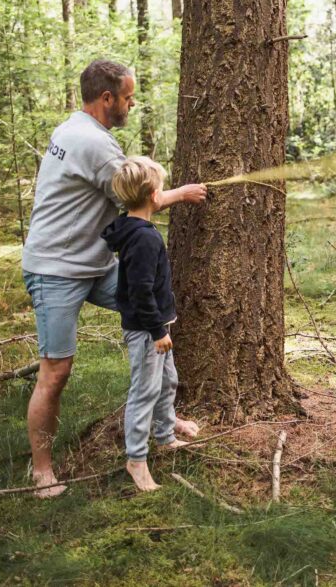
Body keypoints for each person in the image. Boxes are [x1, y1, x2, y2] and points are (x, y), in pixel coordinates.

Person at [22, 60, 206, 497]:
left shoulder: (76, 129)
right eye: (127, 97)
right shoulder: (94, 145)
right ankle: (42, 472)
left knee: (154, 310)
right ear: (106, 98)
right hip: (57, 270)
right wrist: (184, 193)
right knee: (56, 371)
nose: (131, 103)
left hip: (96, 263)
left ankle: (163, 421)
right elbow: (141, 199)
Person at [102, 157, 189, 491]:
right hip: (147, 332)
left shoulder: (136, 230)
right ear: (154, 196)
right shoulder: (143, 239)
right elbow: (139, 291)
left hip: (157, 327)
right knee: (145, 391)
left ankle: (165, 436)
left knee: (168, 383)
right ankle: (136, 459)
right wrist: (157, 331)